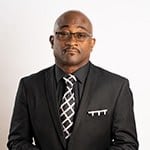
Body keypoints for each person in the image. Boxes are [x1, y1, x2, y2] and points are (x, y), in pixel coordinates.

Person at [7, 10, 139, 150]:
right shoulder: (29, 86)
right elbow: (17, 141)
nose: (71, 42)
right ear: (52, 41)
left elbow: (127, 144)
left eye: (81, 35)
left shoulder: (116, 87)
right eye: (63, 34)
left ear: (92, 43)